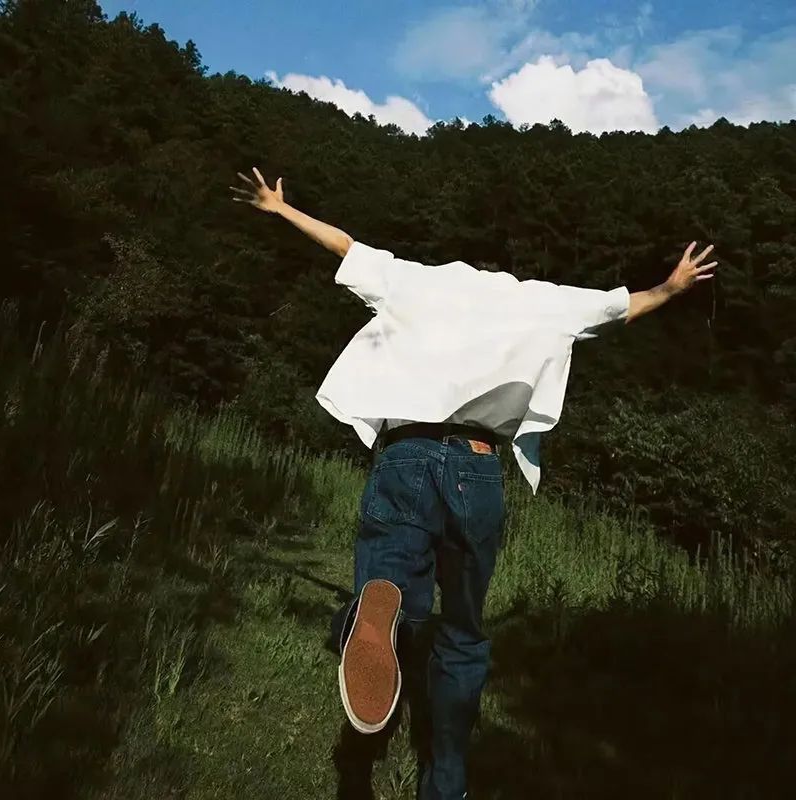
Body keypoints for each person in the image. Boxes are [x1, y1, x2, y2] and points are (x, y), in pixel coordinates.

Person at [230, 167, 718, 800]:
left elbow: (344, 245)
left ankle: (380, 602)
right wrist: (672, 286)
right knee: (462, 633)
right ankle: (447, 782)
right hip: (477, 463)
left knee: (392, 569)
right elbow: (622, 305)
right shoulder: (540, 299)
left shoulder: (415, 279)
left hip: (406, 451)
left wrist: (280, 208)